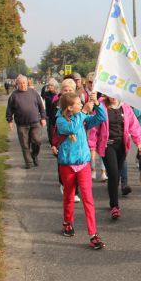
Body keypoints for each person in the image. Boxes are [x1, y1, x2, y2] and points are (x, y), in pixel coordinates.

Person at [55, 91, 107, 250]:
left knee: (87, 198)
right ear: (70, 108)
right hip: (67, 164)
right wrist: (84, 111)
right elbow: (72, 127)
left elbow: (101, 118)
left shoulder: (82, 117)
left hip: (83, 163)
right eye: (78, 103)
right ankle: (67, 223)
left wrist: (96, 105)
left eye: (81, 103)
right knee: (69, 196)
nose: (81, 104)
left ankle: (93, 234)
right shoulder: (61, 121)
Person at [88, 96, 141, 220]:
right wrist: (92, 147)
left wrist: (139, 143)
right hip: (107, 145)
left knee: (116, 176)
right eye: (110, 94)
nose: (113, 97)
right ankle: (114, 206)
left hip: (122, 145)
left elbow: (134, 126)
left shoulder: (125, 107)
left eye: (115, 94)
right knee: (113, 174)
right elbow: (93, 128)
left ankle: (113, 197)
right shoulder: (101, 106)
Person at [6, 75, 46, 169]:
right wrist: (10, 121)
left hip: (35, 122)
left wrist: (43, 118)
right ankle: (29, 163)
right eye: (20, 83)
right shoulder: (14, 95)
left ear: (27, 83)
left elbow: (41, 106)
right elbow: (9, 110)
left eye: (24, 83)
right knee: (25, 144)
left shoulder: (33, 92)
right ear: (17, 84)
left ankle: (34, 155)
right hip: (21, 124)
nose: (22, 85)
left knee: (37, 141)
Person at [41, 78, 59, 143]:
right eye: (49, 85)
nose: (50, 87)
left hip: (57, 114)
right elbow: (46, 100)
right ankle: (51, 141)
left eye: (52, 85)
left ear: (55, 86)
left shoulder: (58, 94)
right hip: (49, 114)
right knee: (50, 129)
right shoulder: (47, 94)